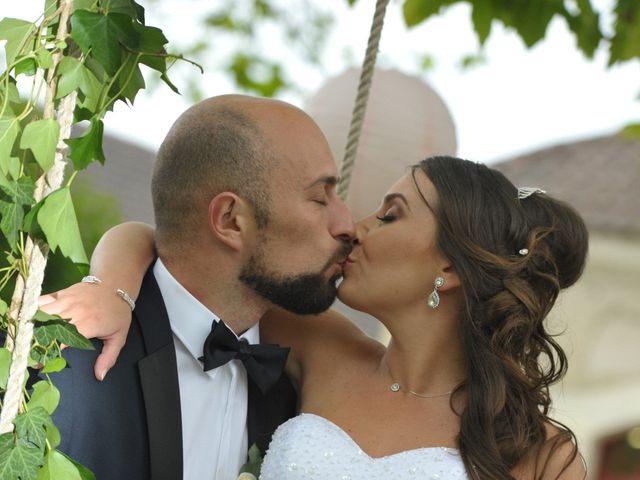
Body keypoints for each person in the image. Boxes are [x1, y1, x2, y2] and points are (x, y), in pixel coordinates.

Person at [43, 156, 588, 479]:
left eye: (390, 215)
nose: (358, 226)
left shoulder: (538, 451)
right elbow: (179, 249)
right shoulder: (322, 348)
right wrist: (111, 287)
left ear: (449, 267)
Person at [41, 94, 356, 480]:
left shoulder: (301, 398)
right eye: (320, 198)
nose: (347, 225)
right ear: (230, 220)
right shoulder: (60, 364)